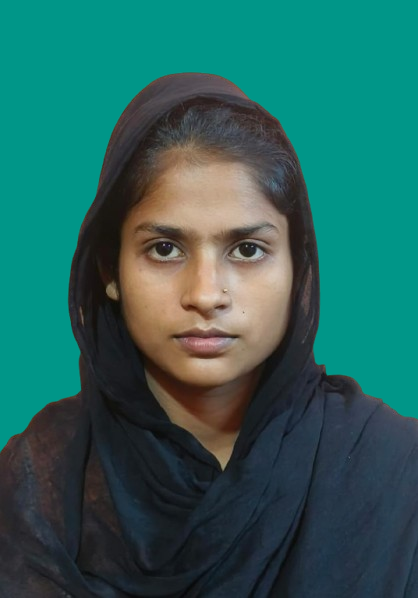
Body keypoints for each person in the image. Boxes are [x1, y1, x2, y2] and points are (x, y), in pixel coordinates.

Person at [0, 73, 417, 597]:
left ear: (297, 268)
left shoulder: (394, 472)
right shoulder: (33, 487)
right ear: (110, 269)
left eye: (247, 250)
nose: (205, 294)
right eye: (165, 249)